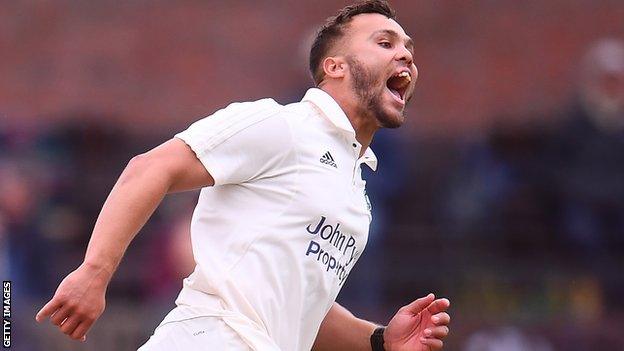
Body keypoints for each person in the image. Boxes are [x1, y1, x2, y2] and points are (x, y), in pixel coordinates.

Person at [35, 1, 451, 350]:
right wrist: (95, 272)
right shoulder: (284, 125)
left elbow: (298, 304)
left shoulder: (356, 191)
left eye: (409, 48)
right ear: (335, 67)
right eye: (385, 42)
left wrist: (378, 340)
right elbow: (150, 168)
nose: (407, 56)